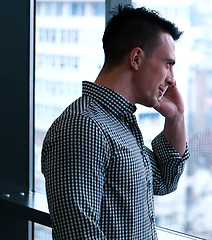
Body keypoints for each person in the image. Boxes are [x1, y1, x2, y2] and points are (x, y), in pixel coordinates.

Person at [41, 5, 189, 239]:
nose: (171, 79)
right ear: (137, 58)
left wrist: (176, 117)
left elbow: (164, 180)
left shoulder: (119, 124)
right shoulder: (83, 128)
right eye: (168, 64)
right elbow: (79, 235)